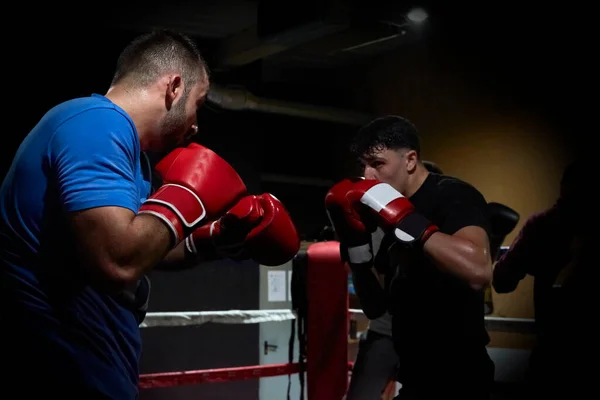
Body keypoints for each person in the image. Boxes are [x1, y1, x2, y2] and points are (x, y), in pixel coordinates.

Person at [0, 30, 299, 399]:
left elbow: (140, 246)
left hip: (97, 364)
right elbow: (118, 260)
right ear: (174, 87)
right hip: (67, 368)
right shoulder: (95, 125)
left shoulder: (130, 154)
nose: (196, 124)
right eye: (198, 103)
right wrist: (185, 197)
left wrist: (215, 238)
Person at [325, 115, 494, 399]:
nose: (368, 176)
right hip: (414, 375)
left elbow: (478, 272)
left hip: (461, 377)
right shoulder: (376, 212)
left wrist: (408, 222)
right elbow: (376, 307)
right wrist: (356, 249)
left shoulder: (452, 195)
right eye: (363, 165)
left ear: (411, 160)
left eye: (378, 164)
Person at [345, 160, 445, 400]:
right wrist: (353, 246)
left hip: (432, 336)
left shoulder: (445, 232)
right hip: (385, 331)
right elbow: (372, 303)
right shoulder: (378, 227)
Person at [492, 160, 591, 398]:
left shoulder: (545, 225)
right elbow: (503, 280)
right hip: (553, 354)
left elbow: (503, 280)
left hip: (554, 353)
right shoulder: (545, 226)